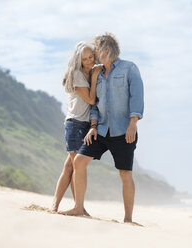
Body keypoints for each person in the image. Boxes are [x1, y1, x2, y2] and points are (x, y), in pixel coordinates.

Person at [60, 33, 144, 224]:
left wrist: (133, 123)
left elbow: (137, 98)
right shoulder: (97, 74)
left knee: (125, 173)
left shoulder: (129, 68)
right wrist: (93, 126)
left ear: (105, 50)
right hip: (101, 130)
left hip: (123, 131)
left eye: (96, 49)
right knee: (79, 161)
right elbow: (95, 104)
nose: (94, 53)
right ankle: (78, 207)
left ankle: (128, 219)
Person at [51, 41, 101, 214]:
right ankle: (78, 207)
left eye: (91, 57)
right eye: (85, 58)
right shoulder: (78, 74)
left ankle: (55, 206)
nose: (89, 61)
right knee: (76, 166)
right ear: (79, 60)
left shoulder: (89, 72)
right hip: (75, 124)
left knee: (69, 167)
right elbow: (91, 100)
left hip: (84, 125)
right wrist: (94, 78)